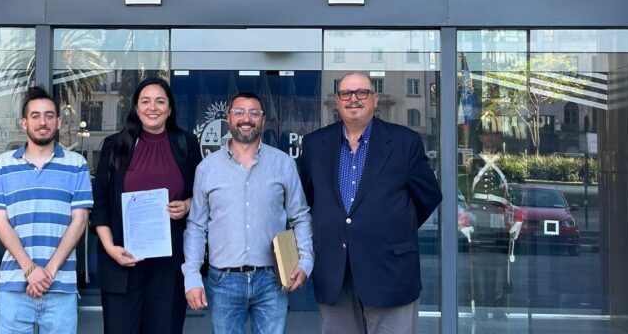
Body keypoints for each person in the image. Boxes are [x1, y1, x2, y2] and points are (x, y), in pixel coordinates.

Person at [300, 72, 442, 334]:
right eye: (346, 94)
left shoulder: (404, 142)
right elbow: (307, 200)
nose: (353, 99)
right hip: (335, 273)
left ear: (374, 99)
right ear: (337, 101)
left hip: (391, 271)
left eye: (361, 93)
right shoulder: (315, 144)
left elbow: (428, 196)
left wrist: (391, 225)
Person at [183, 91, 313, 334]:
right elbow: (197, 227)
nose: (247, 118)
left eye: (254, 113)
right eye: (239, 112)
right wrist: (191, 276)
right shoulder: (207, 168)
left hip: (273, 280)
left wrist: (305, 261)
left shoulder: (283, 163)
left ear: (263, 120)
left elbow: (300, 217)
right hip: (223, 281)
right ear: (228, 117)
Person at [92, 77, 202, 334]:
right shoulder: (115, 145)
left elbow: (203, 195)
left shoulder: (186, 144)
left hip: (169, 266)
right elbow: (100, 203)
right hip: (122, 262)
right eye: (146, 101)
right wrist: (110, 248)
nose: (153, 107)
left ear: (170, 108)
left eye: (160, 101)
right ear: (136, 107)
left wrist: (187, 205)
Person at [0, 85, 93, 334]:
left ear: (58, 122)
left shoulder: (77, 164)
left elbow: (79, 221)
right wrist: (31, 270)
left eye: (48, 115)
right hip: (14, 286)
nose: (42, 122)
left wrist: (48, 272)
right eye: (35, 116)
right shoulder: (4, 165)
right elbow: (1, 223)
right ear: (24, 123)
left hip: (61, 287)